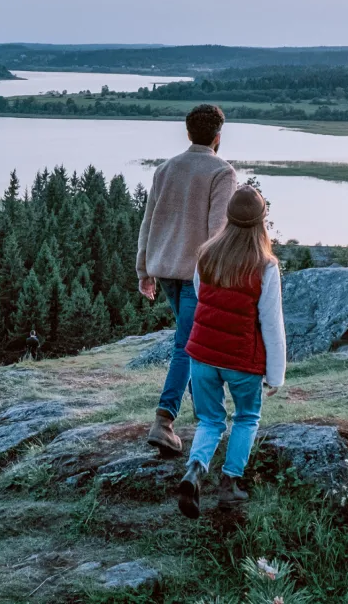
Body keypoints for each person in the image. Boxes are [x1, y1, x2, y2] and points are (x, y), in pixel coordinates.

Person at [174, 185, 286, 519]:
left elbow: (200, 292)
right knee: (247, 417)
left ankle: (194, 470)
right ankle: (230, 482)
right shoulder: (265, 267)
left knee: (210, 418)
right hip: (241, 360)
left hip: (202, 356)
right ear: (260, 221)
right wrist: (275, 374)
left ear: (229, 217)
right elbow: (271, 324)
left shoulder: (207, 254)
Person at [136, 104, 238, 457]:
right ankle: (164, 421)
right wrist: (218, 279)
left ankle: (206, 413)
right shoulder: (221, 172)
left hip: (164, 269)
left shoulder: (166, 169)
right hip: (197, 274)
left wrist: (144, 270)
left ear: (189, 132)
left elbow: (148, 224)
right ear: (218, 136)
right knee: (189, 344)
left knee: (191, 339)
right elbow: (218, 232)